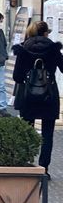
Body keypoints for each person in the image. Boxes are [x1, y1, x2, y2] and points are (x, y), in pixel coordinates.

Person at [13, 21, 63, 178]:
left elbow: (17, 77)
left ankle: (26, 165)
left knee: (26, 131)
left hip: (27, 96)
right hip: (49, 95)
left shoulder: (23, 48)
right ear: (46, 33)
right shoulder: (53, 49)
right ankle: (43, 168)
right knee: (47, 134)